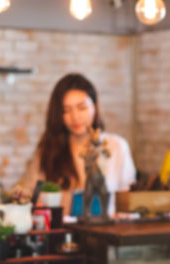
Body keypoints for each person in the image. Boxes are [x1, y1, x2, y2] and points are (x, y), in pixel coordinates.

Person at [14, 73, 136, 214]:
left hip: (109, 232)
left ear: (95, 106)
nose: (75, 117)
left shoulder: (116, 146)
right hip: (63, 233)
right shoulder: (48, 151)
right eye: (67, 110)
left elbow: (127, 198)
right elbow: (28, 194)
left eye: (82, 107)